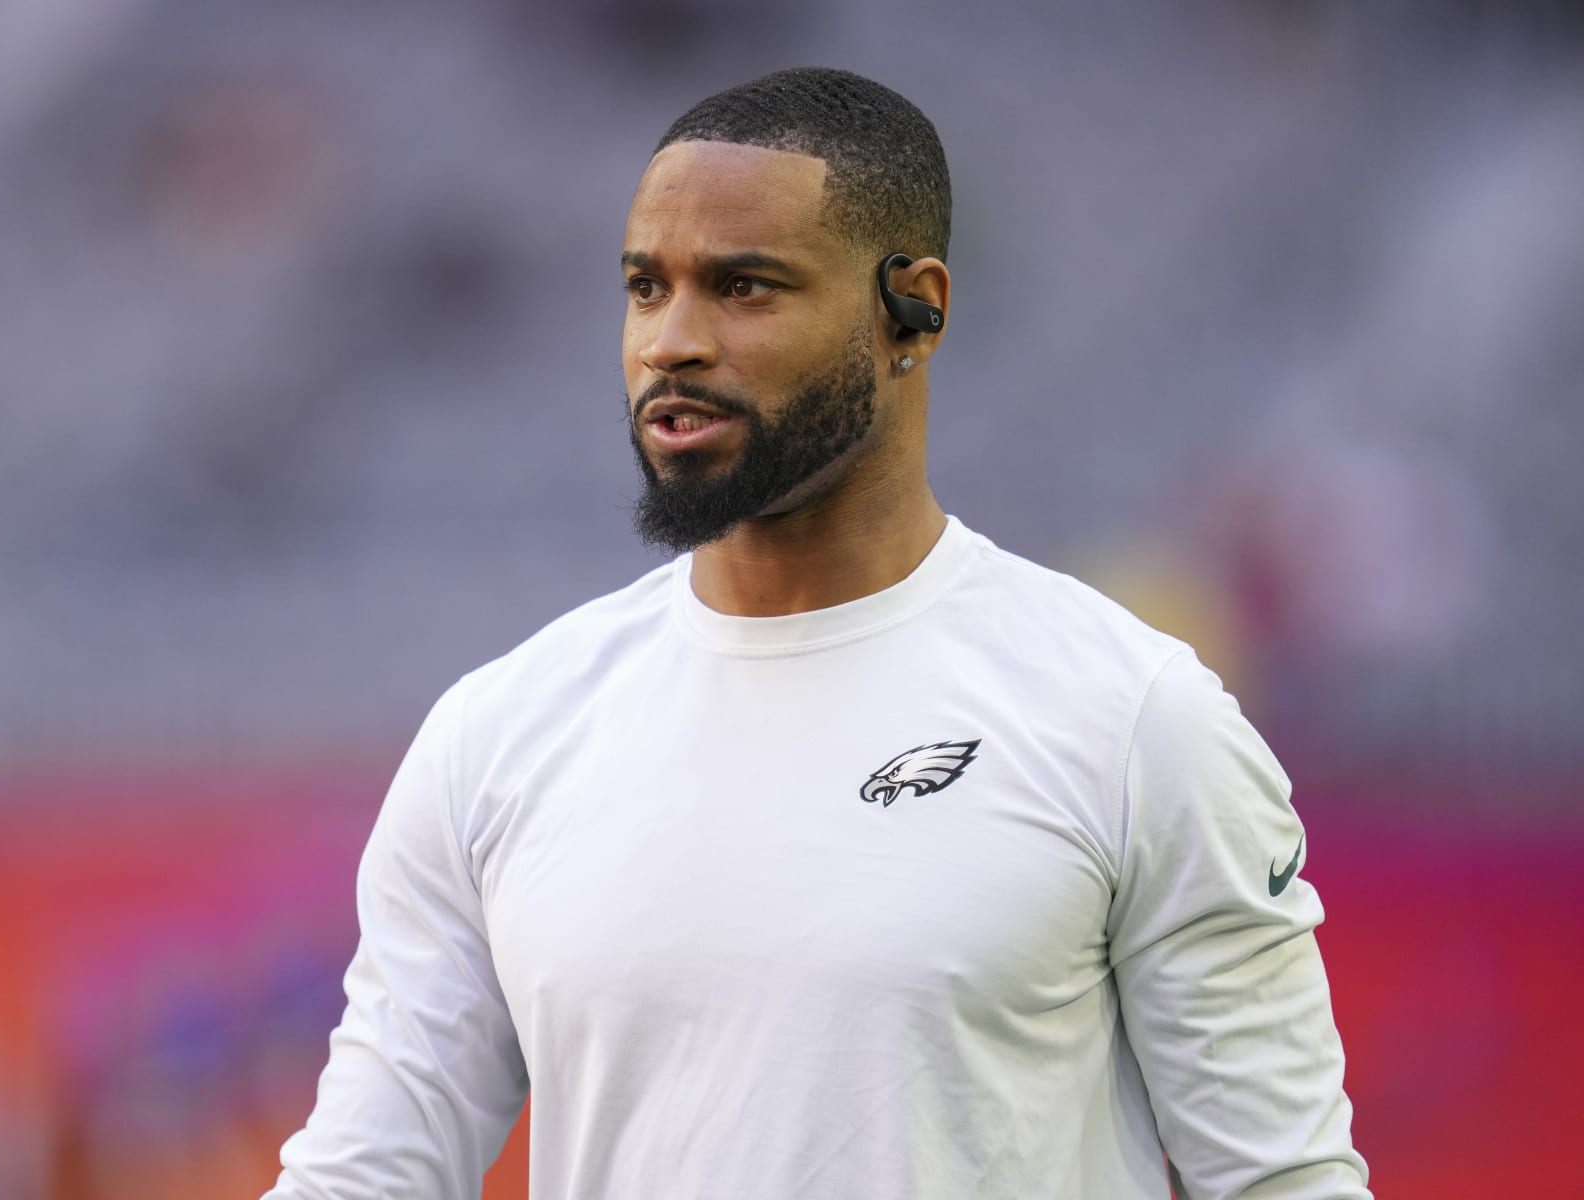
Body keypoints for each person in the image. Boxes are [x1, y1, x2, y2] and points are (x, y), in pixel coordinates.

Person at [263, 67, 1370, 1200]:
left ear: (913, 309)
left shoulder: (1137, 720)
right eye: (648, 288)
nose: (671, 343)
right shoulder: (498, 738)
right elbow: (362, 1180)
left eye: (745, 288)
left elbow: (1286, 1180)